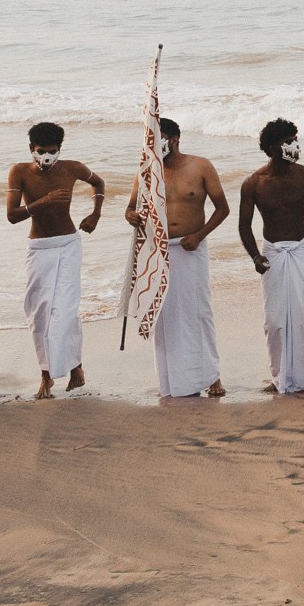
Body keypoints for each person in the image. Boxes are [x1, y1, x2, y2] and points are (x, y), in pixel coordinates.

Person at [236, 118, 304, 395]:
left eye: (296, 139)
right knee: (275, 321)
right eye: (289, 141)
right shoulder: (254, 183)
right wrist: (255, 257)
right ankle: (280, 375)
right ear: (273, 147)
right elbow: (244, 226)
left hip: (302, 249)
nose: (295, 145)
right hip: (272, 251)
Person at [127, 116, 228, 399]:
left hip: (190, 247)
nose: (157, 145)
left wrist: (200, 235)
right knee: (165, 314)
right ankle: (172, 380)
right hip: (157, 249)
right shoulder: (147, 170)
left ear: (175, 139)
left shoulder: (200, 166)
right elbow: (129, 209)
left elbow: (222, 209)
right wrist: (132, 216)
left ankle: (212, 376)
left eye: (161, 139)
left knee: (198, 311)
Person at [7, 121, 105, 400]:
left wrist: (95, 213)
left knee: (65, 309)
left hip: (68, 243)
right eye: (41, 151)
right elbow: (12, 215)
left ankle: (58, 375)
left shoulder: (72, 168)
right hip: (39, 246)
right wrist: (44, 201)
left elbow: (98, 182)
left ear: (60, 149)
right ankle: (54, 371)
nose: (47, 157)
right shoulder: (19, 172)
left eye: (52, 151)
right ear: (31, 149)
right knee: (38, 312)